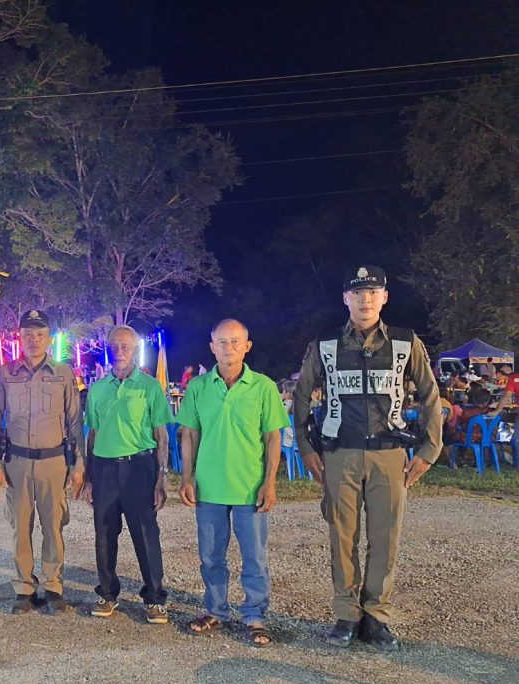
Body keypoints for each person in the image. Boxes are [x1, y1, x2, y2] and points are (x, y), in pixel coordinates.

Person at [293, 265, 442, 651]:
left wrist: (429, 449)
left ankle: (376, 616)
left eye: (373, 292)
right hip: (339, 453)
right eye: (358, 293)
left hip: (389, 455)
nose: (365, 300)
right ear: (346, 298)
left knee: (385, 537)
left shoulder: (406, 343)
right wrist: (306, 448)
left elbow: (430, 395)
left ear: (384, 297)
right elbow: (301, 395)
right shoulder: (325, 344)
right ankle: (347, 614)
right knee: (342, 536)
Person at [177, 319, 288, 646]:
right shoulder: (198, 387)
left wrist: (270, 482)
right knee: (211, 555)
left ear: (246, 346)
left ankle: (254, 615)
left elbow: (272, 437)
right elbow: (190, 434)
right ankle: (216, 610)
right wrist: (187, 477)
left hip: (249, 487)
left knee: (254, 556)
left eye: (235, 341)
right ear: (212, 347)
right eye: (222, 342)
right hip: (209, 487)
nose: (229, 347)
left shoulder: (263, 387)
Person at [0, 309, 85, 615]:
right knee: (20, 527)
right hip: (16, 462)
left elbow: (75, 422)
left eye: (40, 334)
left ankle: (53, 586)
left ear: (49, 339)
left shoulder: (63, 374)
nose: (34, 340)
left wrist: (78, 463)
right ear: (20, 337)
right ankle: (24, 588)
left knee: (53, 526)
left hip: (53, 462)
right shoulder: (5, 374)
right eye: (28, 334)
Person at [80, 325, 172, 624]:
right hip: (105, 468)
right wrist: (88, 477)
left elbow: (161, 434)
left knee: (145, 534)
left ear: (134, 350)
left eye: (125, 346)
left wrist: (161, 476)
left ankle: (155, 598)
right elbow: (93, 433)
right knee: (104, 534)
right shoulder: (97, 389)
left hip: (139, 468)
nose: (119, 351)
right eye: (114, 346)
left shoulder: (149, 387)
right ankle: (107, 593)